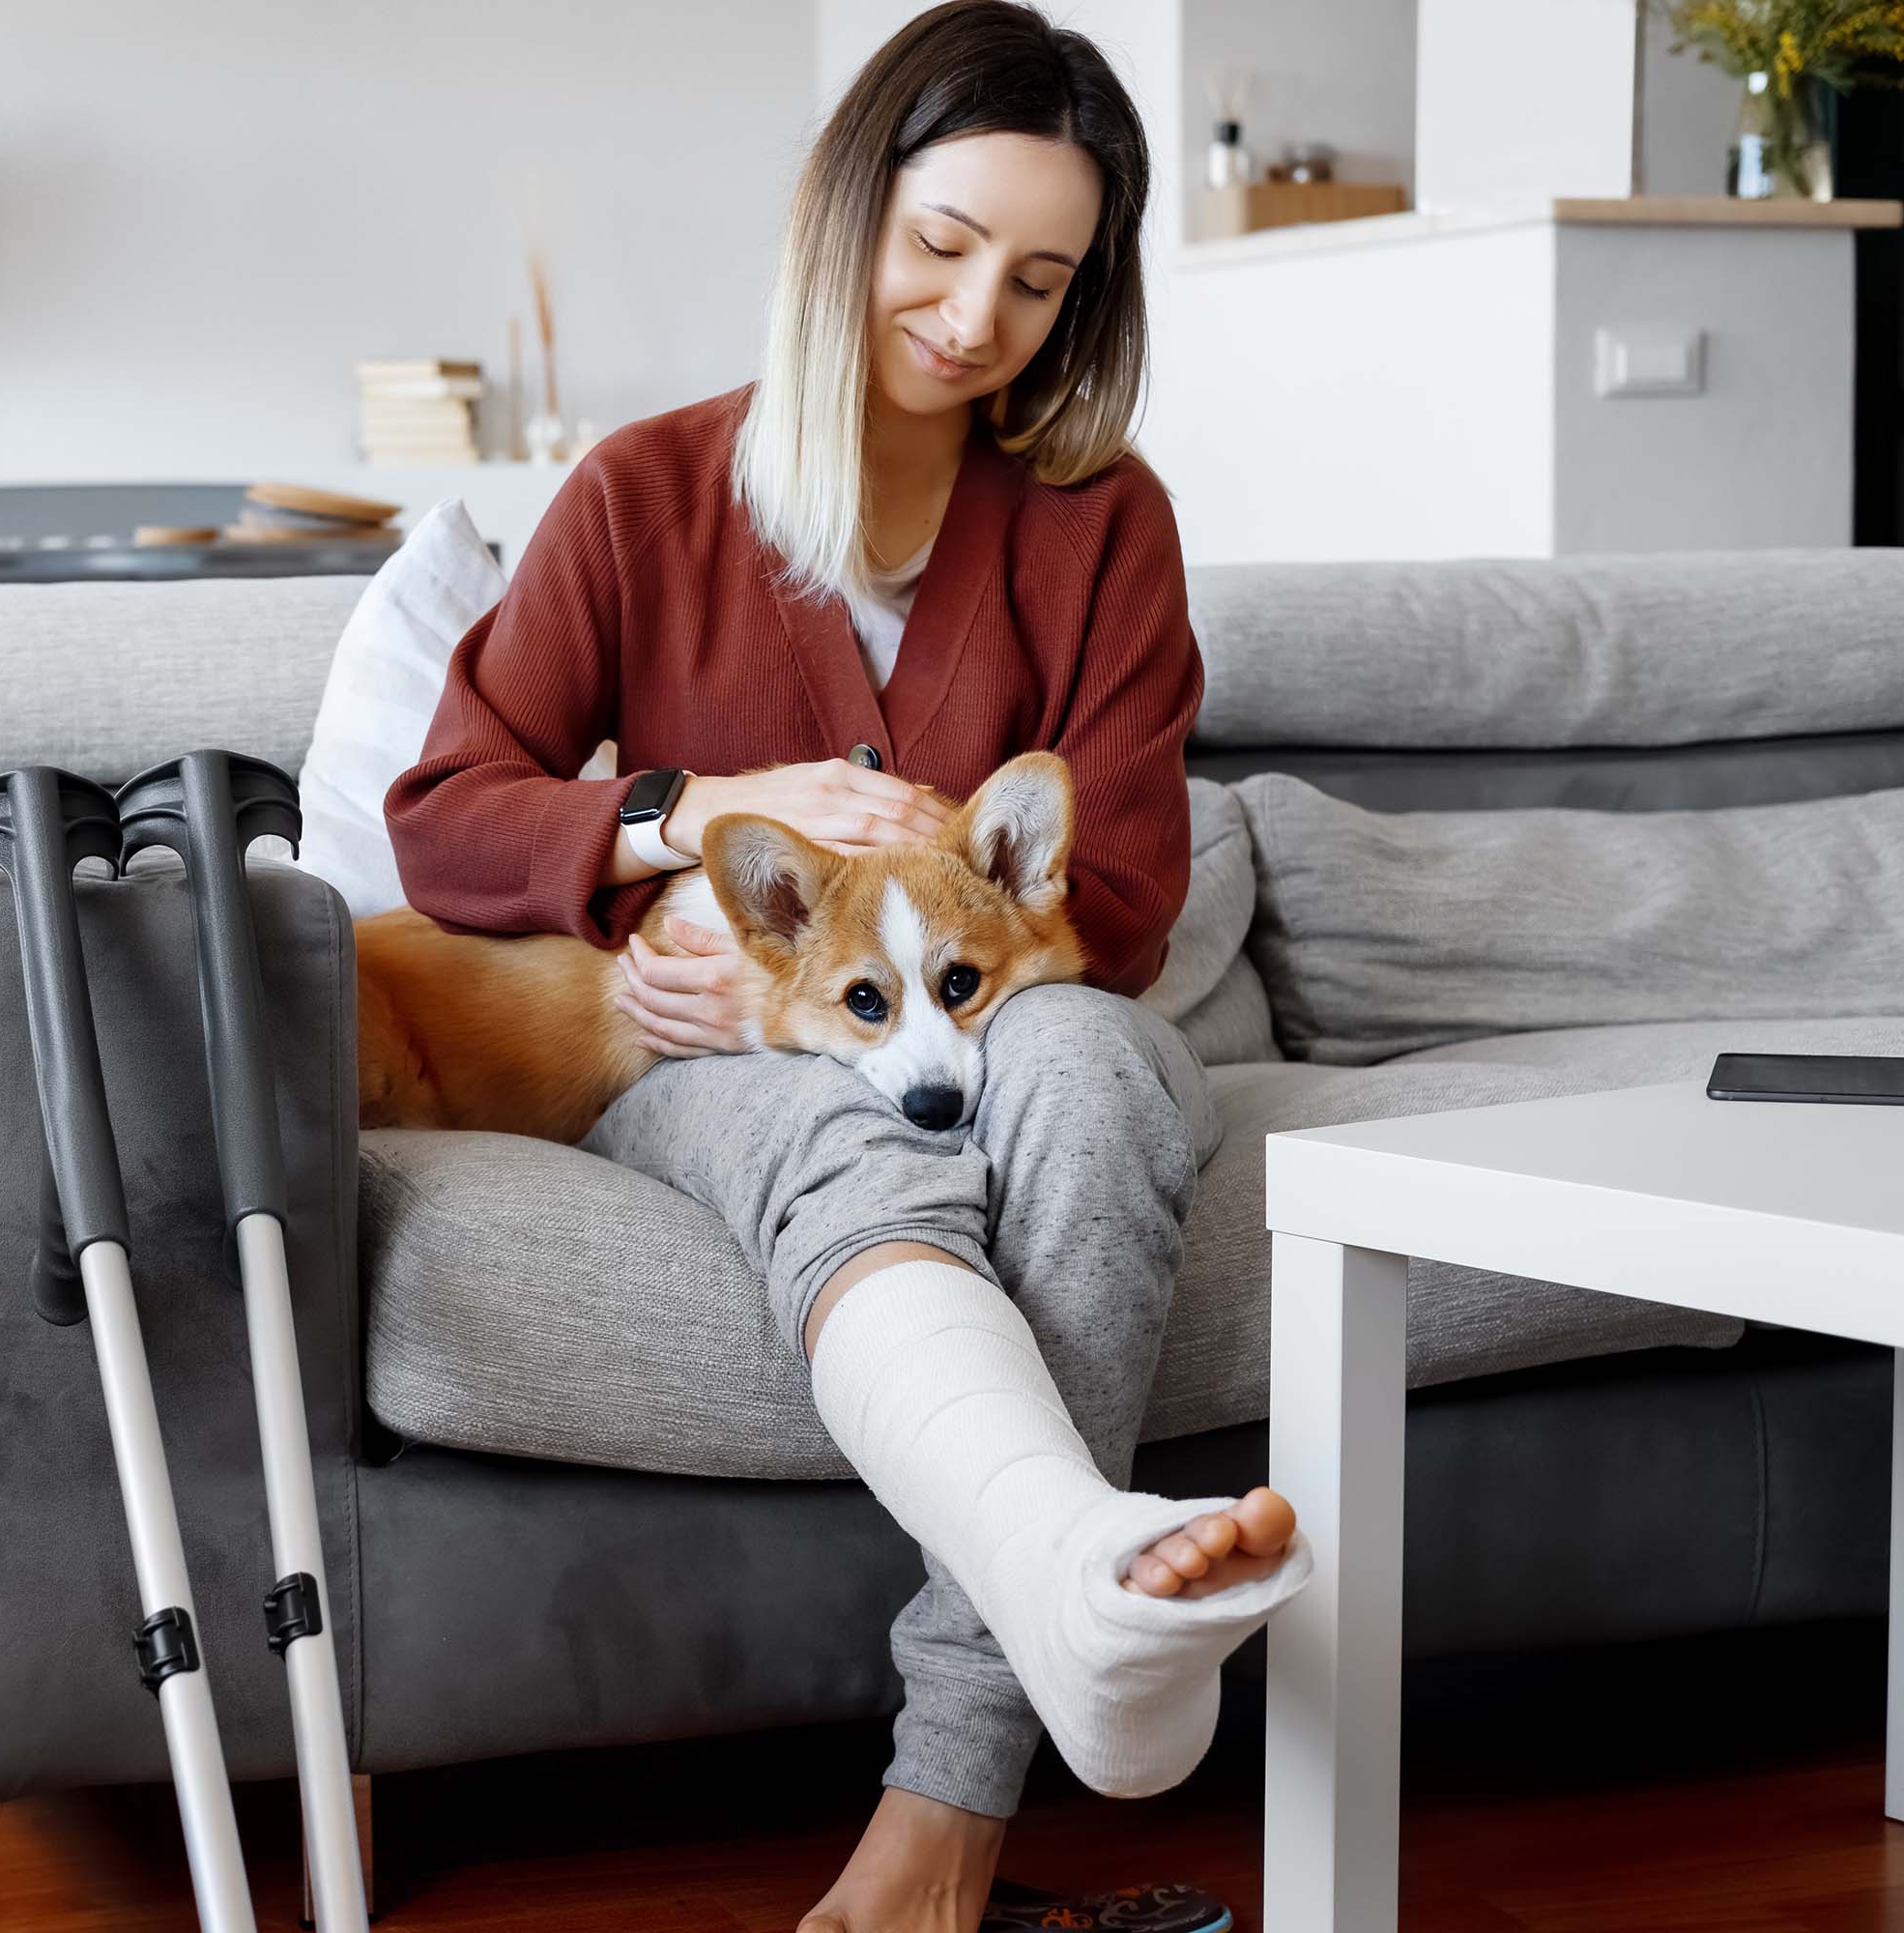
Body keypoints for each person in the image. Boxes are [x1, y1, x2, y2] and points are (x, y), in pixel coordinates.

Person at [385, 7, 1313, 1930]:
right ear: (848, 209)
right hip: (714, 1047)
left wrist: (935, 880)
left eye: (1042, 281)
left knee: (1091, 1070)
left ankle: (937, 1833)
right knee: (853, 1141)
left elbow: (1117, 901)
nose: (979, 315)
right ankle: (1042, 1670)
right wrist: (680, 827)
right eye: (946, 243)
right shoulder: (644, 493)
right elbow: (442, 812)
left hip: (1030, 1014)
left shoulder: (1102, 525)